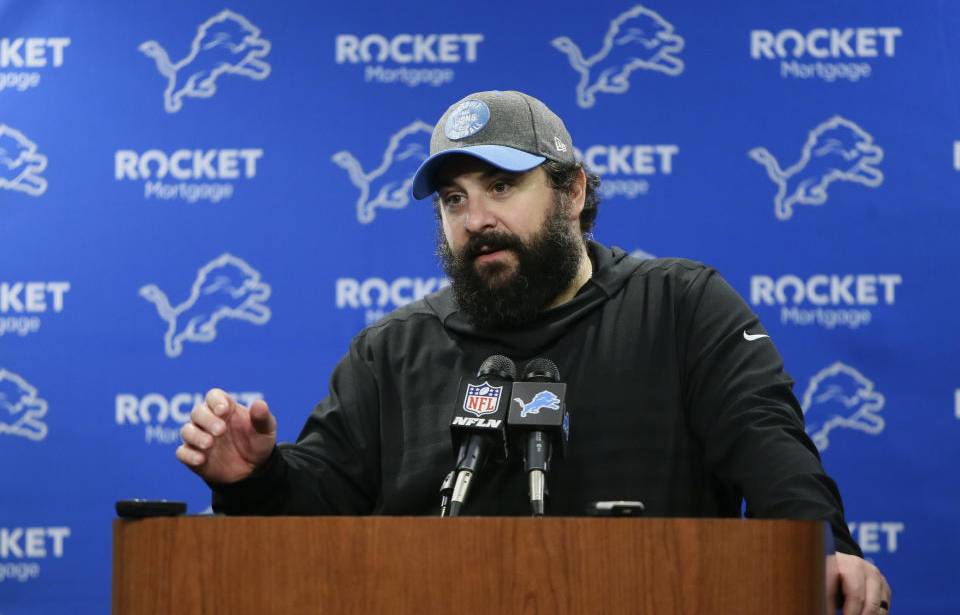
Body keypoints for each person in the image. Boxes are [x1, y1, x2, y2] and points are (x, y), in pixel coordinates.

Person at [176, 90, 891, 613]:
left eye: (501, 185)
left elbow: (767, 443)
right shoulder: (391, 350)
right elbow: (322, 504)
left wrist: (828, 552)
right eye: (453, 200)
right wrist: (255, 478)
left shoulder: (681, 306)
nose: (476, 219)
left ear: (573, 190)